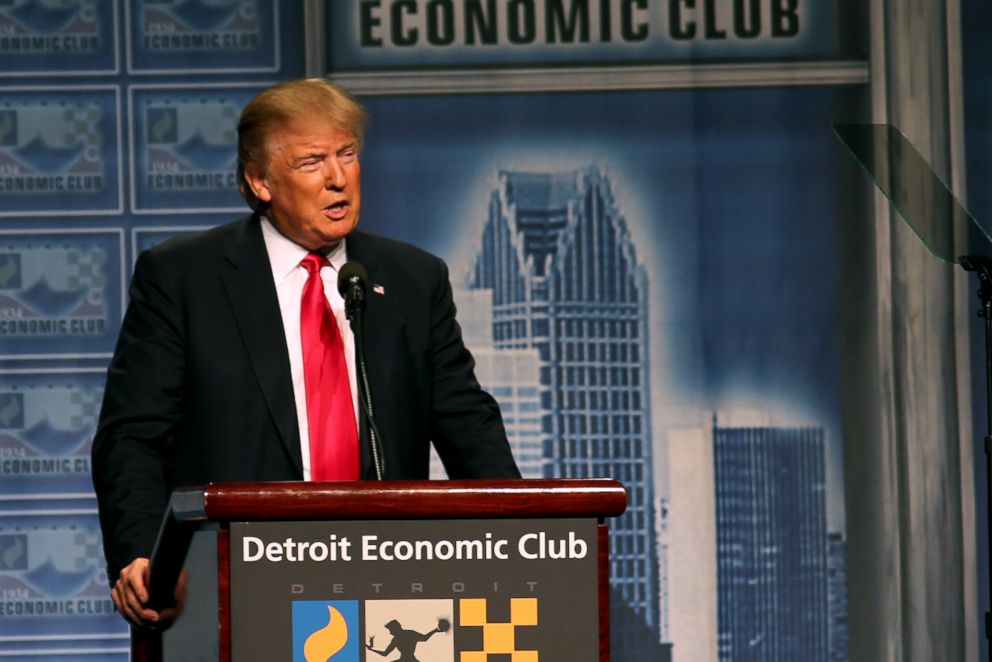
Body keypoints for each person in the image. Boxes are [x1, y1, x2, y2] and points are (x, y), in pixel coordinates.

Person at [91, 78, 520, 628]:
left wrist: (523, 535)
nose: (337, 177)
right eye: (312, 161)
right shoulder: (184, 279)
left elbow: (468, 424)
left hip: (393, 582)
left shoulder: (413, 279)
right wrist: (142, 555)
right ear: (260, 181)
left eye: (347, 154)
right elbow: (133, 436)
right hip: (236, 583)